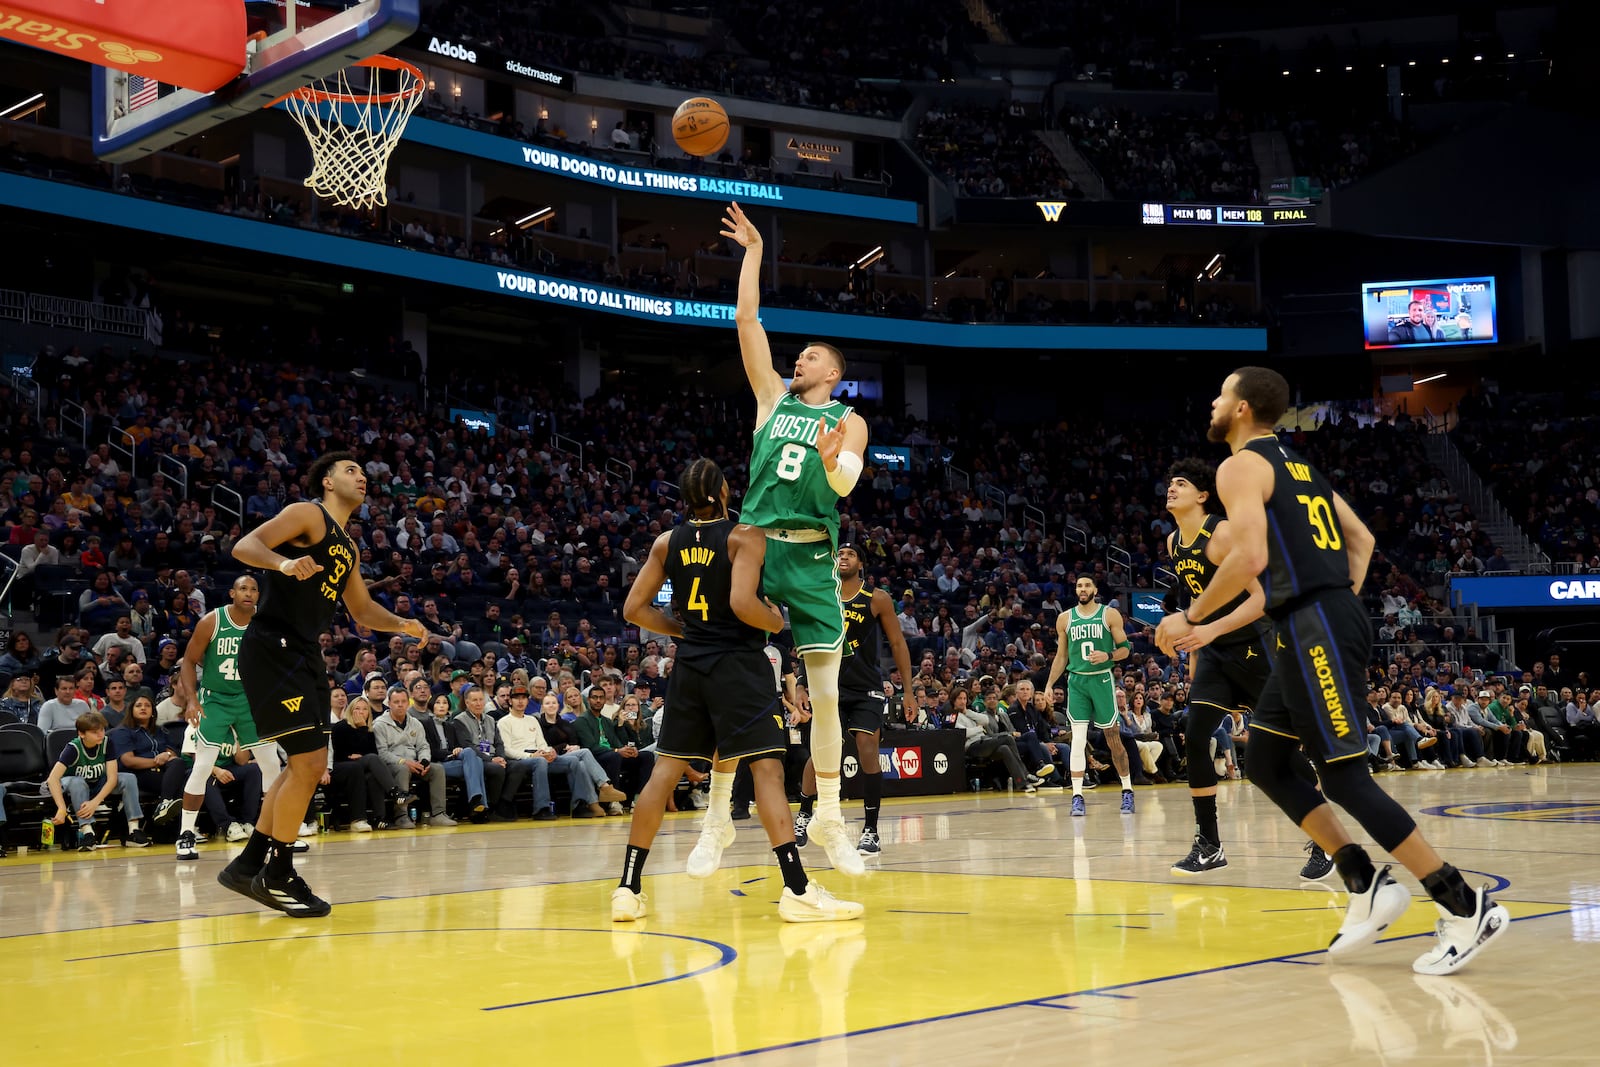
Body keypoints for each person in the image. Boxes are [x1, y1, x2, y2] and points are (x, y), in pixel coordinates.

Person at [1159, 366, 1508, 975]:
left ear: (1242, 408)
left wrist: (1189, 616)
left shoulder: (1238, 465)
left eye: (1221, 393)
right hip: (1313, 621)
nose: (1213, 402)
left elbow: (1249, 557)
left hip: (1314, 625)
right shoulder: (1298, 466)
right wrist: (1331, 598)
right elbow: (1363, 539)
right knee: (1265, 761)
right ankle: (1363, 880)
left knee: (1344, 777)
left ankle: (1463, 902)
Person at [613, 457, 862, 923]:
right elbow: (742, 603)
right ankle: (798, 889)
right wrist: (774, 621)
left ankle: (627, 888)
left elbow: (633, 609)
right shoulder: (743, 535)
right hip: (738, 665)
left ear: (684, 499)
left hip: (690, 667)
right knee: (767, 771)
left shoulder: (667, 542)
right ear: (725, 493)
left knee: (663, 773)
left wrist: (680, 632)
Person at [720, 202, 871, 879]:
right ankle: (717, 815)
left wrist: (835, 458)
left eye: (811, 355)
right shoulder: (770, 401)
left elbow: (845, 488)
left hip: (811, 554)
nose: (799, 358)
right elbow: (746, 320)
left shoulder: (848, 418)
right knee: (727, 678)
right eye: (799, 354)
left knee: (828, 694)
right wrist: (753, 251)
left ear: (831, 374)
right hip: (753, 547)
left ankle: (833, 817)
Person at [217, 452, 427, 917]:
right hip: (273, 645)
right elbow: (245, 547)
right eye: (351, 470)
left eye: (363, 471)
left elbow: (363, 611)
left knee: (300, 767)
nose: (362, 477)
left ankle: (249, 863)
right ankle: (279, 871)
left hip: (305, 652)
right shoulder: (306, 513)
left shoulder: (347, 546)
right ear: (328, 482)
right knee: (310, 766)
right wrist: (284, 565)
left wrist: (403, 623)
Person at [1156, 458, 1333, 880]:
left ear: (1202, 495)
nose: (1171, 488)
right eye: (1170, 483)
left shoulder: (1222, 533)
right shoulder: (1171, 543)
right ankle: (1210, 845)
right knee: (1195, 733)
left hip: (1258, 647)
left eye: (1180, 483)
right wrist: (1192, 645)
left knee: (1279, 754)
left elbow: (1262, 598)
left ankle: (1326, 839)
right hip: (1216, 653)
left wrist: (1206, 630)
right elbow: (1197, 603)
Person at [794, 543, 914, 857]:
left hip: (866, 688)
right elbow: (809, 641)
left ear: (860, 563)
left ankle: (871, 830)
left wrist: (910, 691)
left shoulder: (876, 598)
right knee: (821, 753)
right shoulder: (822, 595)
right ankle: (805, 813)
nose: (842, 557)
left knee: (866, 746)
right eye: (839, 554)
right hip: (828, 686)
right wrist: (802, 684)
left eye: (849, 554)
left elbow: (899, 644)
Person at [172, 575, 286, 862]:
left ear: (259, 596)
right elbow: (188, 661)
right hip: (216, 700)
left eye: (253, 589)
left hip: (250, 700)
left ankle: (275, 835)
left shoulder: (266, 623)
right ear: (232, 593)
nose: (248, 593)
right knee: (203, 765)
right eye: (243, 588)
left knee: (271, 764)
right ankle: (186, 833)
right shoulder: (212, 621)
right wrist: (192, 701)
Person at [1045, 575, 1135, 817]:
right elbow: (1061, 656)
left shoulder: (1109, 615)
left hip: (1102, 679)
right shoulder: (1065, 618)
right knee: (1077, 739)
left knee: (1112, 737)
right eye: (1079, 586)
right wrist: (1049, 684)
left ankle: (1127, 790)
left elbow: (1126, 650)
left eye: (1087, 585)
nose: (1082, 589)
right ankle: (1077, 796)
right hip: (1077, 682)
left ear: (1095, 589)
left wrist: (1108, 655)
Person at [45, 710, 118, 851]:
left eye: (102, 730)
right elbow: (52, 779)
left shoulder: (107, 743)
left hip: (95, 784)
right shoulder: (73, 748)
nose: (100, 734)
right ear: (81, 734)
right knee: (78, 782)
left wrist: (95, 802)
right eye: (94, 732)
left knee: (129, 778)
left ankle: (134, 830)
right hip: (68, 784)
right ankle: (87, 831)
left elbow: (112, 777)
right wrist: (61, 808)